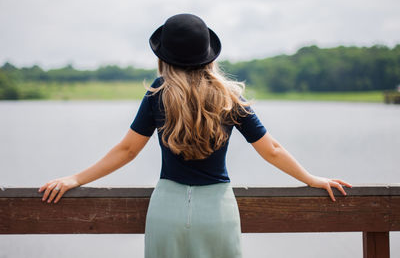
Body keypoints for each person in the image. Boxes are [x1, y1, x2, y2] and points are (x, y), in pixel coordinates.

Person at [38, 13, 352, 258]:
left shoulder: (157, 95)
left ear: (164, 57)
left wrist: (74, 179)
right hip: (218, 210)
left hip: (167, 209)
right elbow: (271, 150)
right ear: (208, 55)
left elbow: (127, 151)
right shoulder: (228, 97)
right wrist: (311, 179)